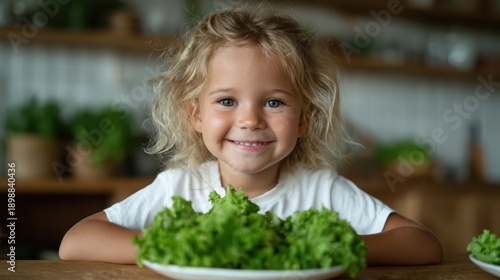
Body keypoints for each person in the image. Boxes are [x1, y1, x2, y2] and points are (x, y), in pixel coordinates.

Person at [59, 4, 443, 266]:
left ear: (305, 119)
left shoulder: (322, 191)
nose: (250, 120)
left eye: (274, 103)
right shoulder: (179, 187)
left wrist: (322, 248)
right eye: (227, 100)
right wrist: (180, 247)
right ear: (195, 114)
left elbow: (423, 244)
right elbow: (75, 242)